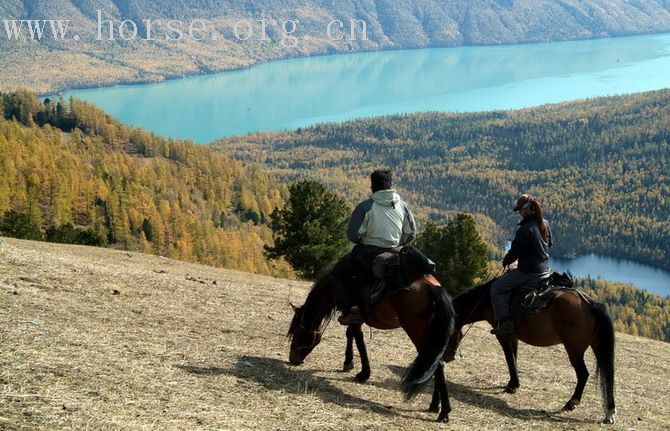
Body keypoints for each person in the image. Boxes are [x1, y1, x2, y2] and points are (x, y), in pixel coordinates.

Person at [333, 170, 417, 325]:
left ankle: (350, 310)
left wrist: (364, 238)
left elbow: (353, 235)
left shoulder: (365, 206)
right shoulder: (403, 206)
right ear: (390, 185)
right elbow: (411, 234)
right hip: (394, 252)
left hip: (368, 251)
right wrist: (396, 243)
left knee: (338, 273)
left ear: (372, 186)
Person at [490, 194, 553, 335]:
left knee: (496, 288)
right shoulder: (545, 223)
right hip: (544, 269)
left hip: (529, 273)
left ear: (527, 210)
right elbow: (549, 244)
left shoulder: (525, 229)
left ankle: (506, 322)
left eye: (520, 210)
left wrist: (506, 261)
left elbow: (514, 252)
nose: (519, 213)